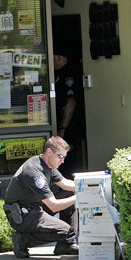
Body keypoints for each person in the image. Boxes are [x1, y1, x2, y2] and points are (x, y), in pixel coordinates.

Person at [3, 136, 79, 258]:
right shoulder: (34, 172)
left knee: (69, 194)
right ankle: (22, 240)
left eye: (64, 157)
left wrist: (85, 185)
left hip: (34, 206)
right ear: (49, 152)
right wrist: (80, 197)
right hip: (22, 215)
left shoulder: (47, 164)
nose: (63, 161)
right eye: (60, 156)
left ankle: (66, 244)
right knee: (65, 230)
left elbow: (65, 184)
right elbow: (53, 206)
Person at [53, 46, 86, 178]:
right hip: (66, 125)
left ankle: (70, 189)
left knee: (67, 158)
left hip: (70, 126)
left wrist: (62, 129)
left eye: (53, 58)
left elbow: (70, 104)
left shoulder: (69, 74)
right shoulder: (59, 74)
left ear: (59, 58)